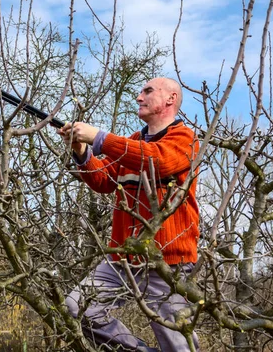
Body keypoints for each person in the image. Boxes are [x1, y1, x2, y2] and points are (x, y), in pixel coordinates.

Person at [58, 77, 200, 351]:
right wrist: (82, 151)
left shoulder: (185, 138)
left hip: (168, 263)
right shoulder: (132, 143)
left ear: (170, 99)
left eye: (148, 91)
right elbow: (103, 180)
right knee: (76, 308)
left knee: (178, 346)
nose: (139, 97)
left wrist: (99, 138)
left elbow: (158, 159)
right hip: (122, 260)